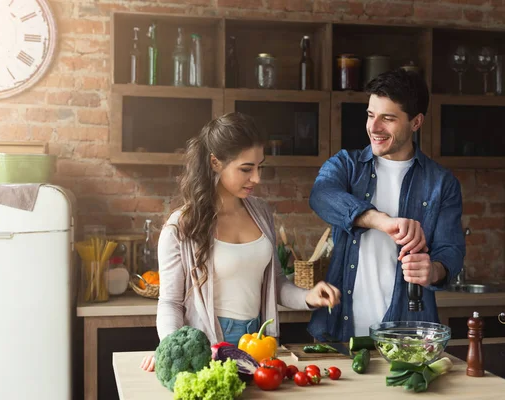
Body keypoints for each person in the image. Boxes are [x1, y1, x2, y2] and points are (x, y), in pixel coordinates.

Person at [141, 112, 340, 371]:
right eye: (246, 169)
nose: (256, 178)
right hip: (208, 346)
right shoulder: (181, 227)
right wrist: (171, 347)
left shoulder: (261, 213)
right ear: (215, 163)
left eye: (260, 167)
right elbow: (170, 303)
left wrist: (308, 297)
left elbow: (275, 282)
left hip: (259, 342)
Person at [307, 69, 465, 342]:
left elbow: (451, 253)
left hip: (410, 336)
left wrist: (433, 270)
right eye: (370, 115)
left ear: (416, 122)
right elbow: (320, 195)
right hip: (339, 334)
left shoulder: (442, 183)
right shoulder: (346, 165)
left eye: (387, 118)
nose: (374, 127)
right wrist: (381, 221)